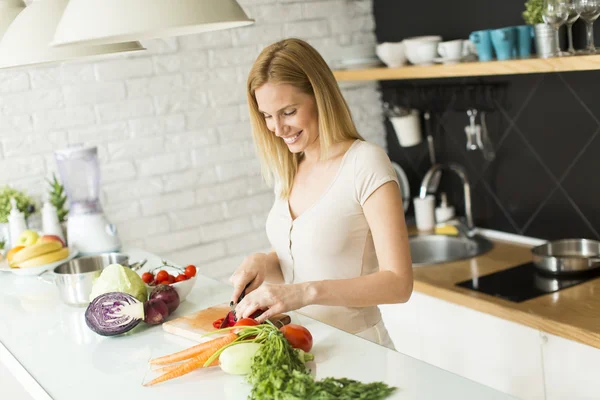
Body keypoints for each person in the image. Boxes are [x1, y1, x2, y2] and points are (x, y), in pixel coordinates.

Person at [228, 38, 413, 349]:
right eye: (267, 115)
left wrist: (303, 292)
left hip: (360, 348)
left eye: (288, 112)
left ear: (320, 97)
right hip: (301, 347)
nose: (277, 128)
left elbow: (399, 283)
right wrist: (264, 262)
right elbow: (311, 255)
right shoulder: (290, 167)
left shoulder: (364, 162)